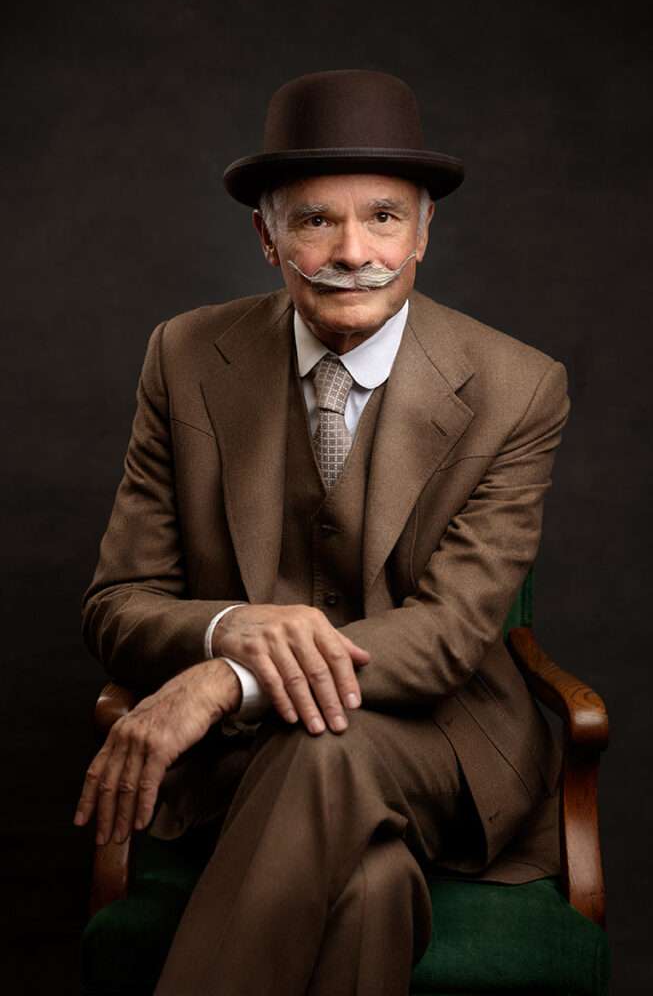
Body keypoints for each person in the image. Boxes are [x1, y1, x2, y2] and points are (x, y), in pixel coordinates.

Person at [74, 69, 571, 995]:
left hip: (440, 747)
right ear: (267, 238)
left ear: (423, 232)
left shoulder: (517, 386)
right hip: (244, 772)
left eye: (383, 217)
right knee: (369, 886)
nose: (354, 251)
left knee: (325, 745)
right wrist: (228, 623)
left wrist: (229, 675)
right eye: (314, 221)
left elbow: (451, 637)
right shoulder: (184, 356)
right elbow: (118, 605)